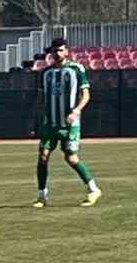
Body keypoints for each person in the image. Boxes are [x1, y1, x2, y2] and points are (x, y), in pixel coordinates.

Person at [31, 38, 101, 208]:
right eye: (55, 50)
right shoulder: (45, 73)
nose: (57, 53)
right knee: (42, 157)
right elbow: (40, 99)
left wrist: (76, 111)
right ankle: (42, 196)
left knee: (71, 157)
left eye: (61, 50)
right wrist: (36, 120)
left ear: (67, 51)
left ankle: (93, 189)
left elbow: (86, 95)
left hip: (70, 123)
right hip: (50, 123)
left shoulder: (76, 69)